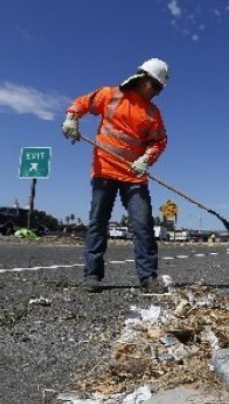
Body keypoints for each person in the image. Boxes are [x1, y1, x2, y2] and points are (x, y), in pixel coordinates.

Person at [61, 58, 170, 293]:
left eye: (160, 89)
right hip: (105, 171)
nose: (157, 93)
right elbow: (82, 103)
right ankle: (92, 275)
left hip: (134, 176)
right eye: (155, 86)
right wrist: (71, 118)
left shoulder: (152, 113)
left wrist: (146, 159)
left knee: (142, 225)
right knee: (98, 223)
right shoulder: (111, 95)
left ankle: (148, 278)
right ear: (142, 79)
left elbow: (159, 141)